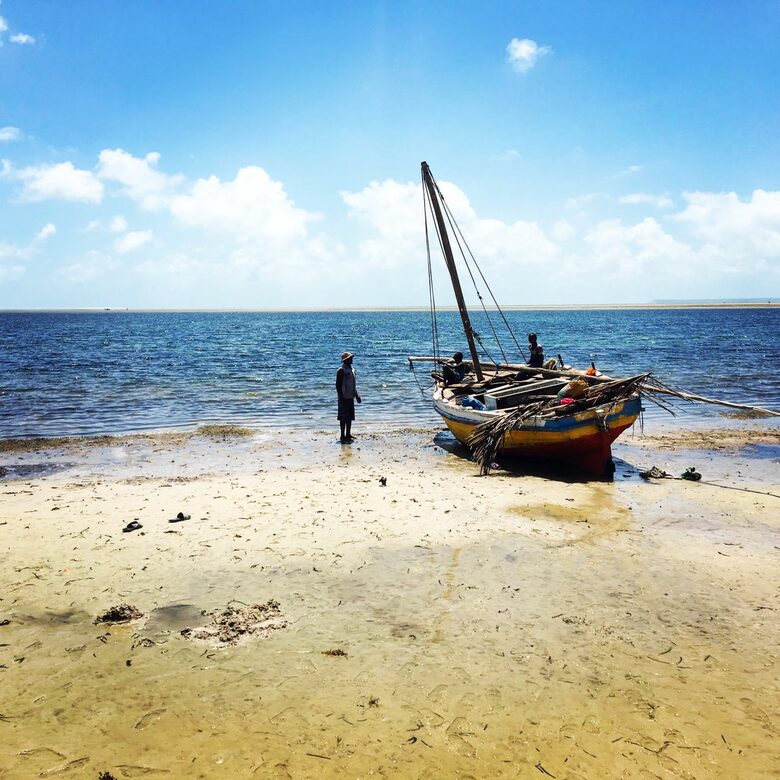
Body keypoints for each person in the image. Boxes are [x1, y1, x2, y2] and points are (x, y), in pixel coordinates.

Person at [336, 351, 361, 443]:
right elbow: (338, 385)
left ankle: (348, 434)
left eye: (351, 358)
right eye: (350, 358)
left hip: (350, 396)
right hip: (343, 397)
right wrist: (341, 396)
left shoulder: (352, 370)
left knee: (350, 417)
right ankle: (342, 435)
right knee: (343, 418)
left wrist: (357, 395)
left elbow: (353, 385)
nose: (351, 359)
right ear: (345, 360)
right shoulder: (341, 370)